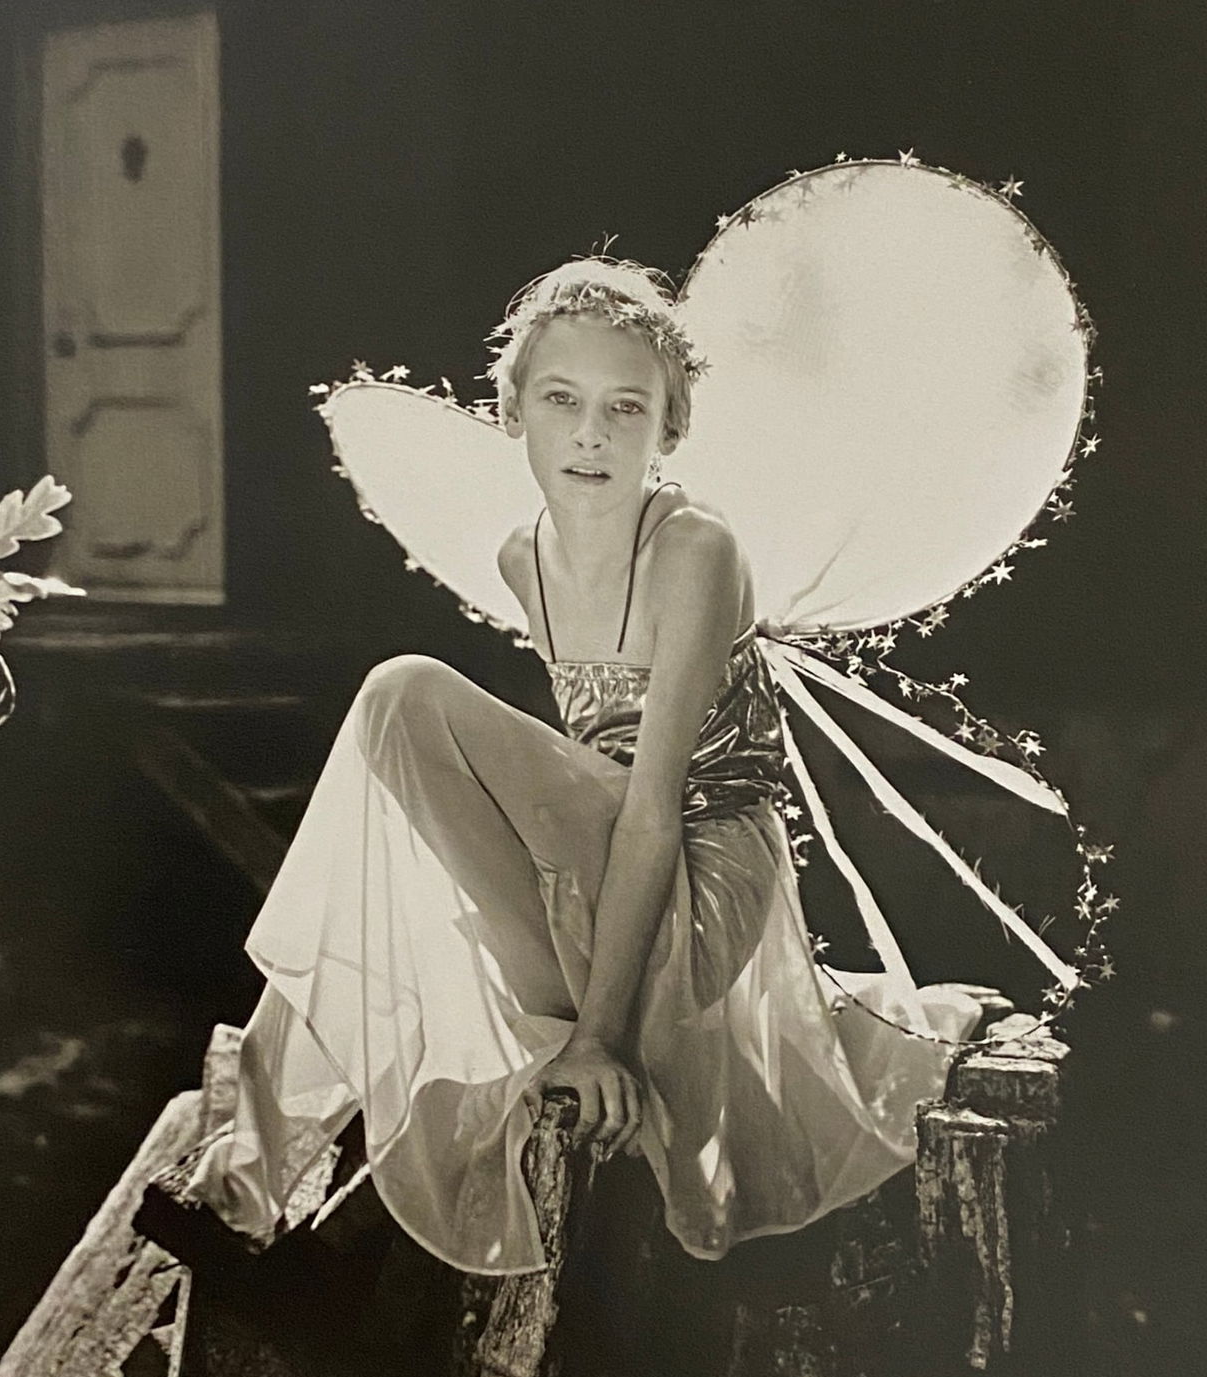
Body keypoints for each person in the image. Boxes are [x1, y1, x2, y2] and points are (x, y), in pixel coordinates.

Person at [149, 258, 978, 1278]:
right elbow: (574, 785)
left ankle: (250, 1166)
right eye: (562, 402)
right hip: (599, 866)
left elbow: (652, 810)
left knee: (402, 693)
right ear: (514, 416)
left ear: (668, 431)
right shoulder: (519, 559)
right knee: (394, 895)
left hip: (698, 874)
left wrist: (596, 1040)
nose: (592, 433)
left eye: (625, 409)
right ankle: (240, 1186)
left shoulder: (695, 552)